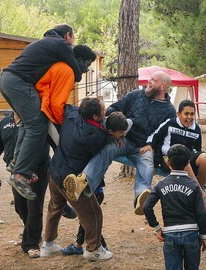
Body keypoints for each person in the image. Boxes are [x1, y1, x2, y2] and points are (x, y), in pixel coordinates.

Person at [63, 71, 176, 215]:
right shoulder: (136, 95)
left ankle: (141, 197)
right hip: (124, 138)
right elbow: (115, 108)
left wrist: (154, 152)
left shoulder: (169, 110)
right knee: (107, 149)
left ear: (163, 87)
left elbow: (164, 136)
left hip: (143, 146)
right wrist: (112, 126)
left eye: (153, 80)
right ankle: (83, 183)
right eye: (149, 78)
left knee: (147, 161)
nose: (148, 81)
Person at [0, 24, 82, 200]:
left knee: (28, 123)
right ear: (68, 35)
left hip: (7, 80)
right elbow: (76, 71)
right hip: (19, 83)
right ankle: (20, 175)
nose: (72, 44)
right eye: (73, 39)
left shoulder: (44, 43)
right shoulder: (61, 44)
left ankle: (16, 162)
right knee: (38, 125)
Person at [41, 98, 129, 260]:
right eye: (103, 111)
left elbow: (64, 105)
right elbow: (108, 142)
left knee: (54, 207)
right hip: (71, 180)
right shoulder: (97, 136)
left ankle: (48, 244)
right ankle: (93, 249)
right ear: (96, 116)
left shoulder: (71, 114)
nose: (106, 113)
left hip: (54, 171)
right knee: (93, 214)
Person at [143, 144, 206, 270]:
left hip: (170, 235)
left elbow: (147, 207)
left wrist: (157, 228)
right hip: (191, 235)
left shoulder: (161, 185)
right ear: (188, 162)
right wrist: (203, 236)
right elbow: (201, 214)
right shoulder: (194, 185)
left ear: (167, 162)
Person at [0, 112, 49, 258]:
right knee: (20, 206)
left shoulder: (35, 121)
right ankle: (31, 232)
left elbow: (46, 144)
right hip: (16, 171)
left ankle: (31, 243)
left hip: (37, 171)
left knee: (34, 207)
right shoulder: (5, 122)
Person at [143, 99, 206, 205]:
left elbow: (198, 149)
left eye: (192, 114)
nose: (189, 117)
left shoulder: (196, 129)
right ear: (178, 114)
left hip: (187, 157)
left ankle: (199, 189)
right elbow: (154, 136)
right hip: (168, 158)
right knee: (182, 157)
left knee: (204, 158)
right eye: (186, 114)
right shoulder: (170, 123)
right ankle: (202, 195)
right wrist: (149, 145)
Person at [35, 44, 98, 148]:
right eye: (87, 64)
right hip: (45, 112)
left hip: (42, 109)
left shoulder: (62, 67)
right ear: (80, 59)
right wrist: (66, 124)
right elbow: (56, 105)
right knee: (64, 149)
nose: (87, 70)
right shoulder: (67, 71)